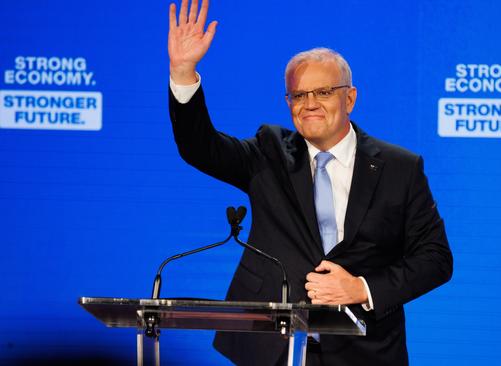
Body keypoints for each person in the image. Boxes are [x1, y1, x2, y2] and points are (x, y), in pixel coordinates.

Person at [167, 0, 452, 364]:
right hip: (274, 347)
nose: (309, 103)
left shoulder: (400, 168)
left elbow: (435, 259)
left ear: (350, 97)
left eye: (323, 92)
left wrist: (361, 288)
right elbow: (200, 147)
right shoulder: (269, 152)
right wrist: (183, 73)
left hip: (365, 351)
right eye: (298, 95)